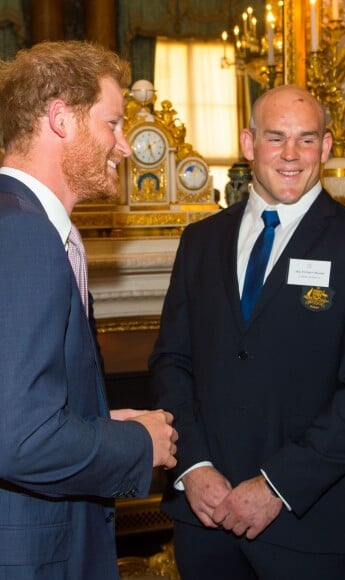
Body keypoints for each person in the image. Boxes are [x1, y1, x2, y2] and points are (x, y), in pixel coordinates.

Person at [149, 84, 345, 580]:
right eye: (275, 138)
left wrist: (276, 485)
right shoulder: (200, 241)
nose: (291, 155)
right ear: (248, 144)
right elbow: (171, 361)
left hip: (308, 527)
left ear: (326, 148)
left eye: (307, 140)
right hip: (205, 519)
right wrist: (193, 467)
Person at [0, 41, 178, 579]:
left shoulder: (26, 222)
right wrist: (135, 443)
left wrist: (94, 423)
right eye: (112, 124)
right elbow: (21, 439)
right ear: (60, 119)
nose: (124, 146)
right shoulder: (25, 233)